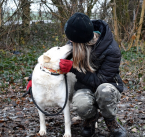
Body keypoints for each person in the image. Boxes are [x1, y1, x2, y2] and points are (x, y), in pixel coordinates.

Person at [27, 12, 127, 137]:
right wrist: (34, 80)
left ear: (81, 39)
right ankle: (90, 118)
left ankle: (111, 120)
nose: (69, 42)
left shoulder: (112, 50)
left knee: (103, 91)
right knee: (80, 103)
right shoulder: (75, 42)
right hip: (84, 86)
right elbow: (51, 62)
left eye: (72, 40)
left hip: (106, 85)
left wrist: (73, 68)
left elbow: (100, 81)